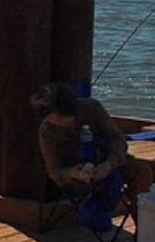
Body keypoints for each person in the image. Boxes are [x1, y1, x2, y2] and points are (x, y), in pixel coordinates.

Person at [31, 83, 132, 231]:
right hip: (79, 177)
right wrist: (71, 173)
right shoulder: (47, 131)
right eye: (56, 119)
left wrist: (109, 164)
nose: (61, 122)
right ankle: (144, 229)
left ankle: (148, 227)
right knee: (143, 174)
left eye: (66, 117)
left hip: (109, 161)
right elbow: (53, 170)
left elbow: (117, 138)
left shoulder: (92, 108)